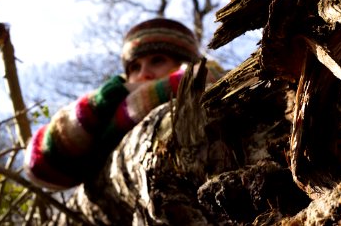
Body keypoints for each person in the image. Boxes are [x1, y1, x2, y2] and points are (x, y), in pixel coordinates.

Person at [24, 18, 223, 190]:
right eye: (134, 67)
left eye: (157, 60)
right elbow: (38, 165)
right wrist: (108, 97)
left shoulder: (211, 83)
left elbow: (203, 76)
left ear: (182, 64)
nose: (144, 73)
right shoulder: (108, 112)